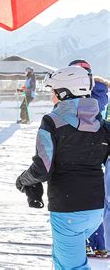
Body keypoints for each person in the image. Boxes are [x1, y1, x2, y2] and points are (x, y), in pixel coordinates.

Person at [16, 65, 109, 269]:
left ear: (64, 92)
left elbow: (42, 168)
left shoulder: (52, 121)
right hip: (96, 210)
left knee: (73, 266)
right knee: (61, 260)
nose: (51, 97)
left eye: (53, 92)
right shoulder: (101, 124)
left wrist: (23, 179)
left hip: (68, 210)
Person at [69, 59, 110, 256]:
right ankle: (96, 242)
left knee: (87, 198)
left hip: (92, 150)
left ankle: (95, 242)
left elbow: (90, 113)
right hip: (87, 149)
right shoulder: (90, 93)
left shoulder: (96, 93)